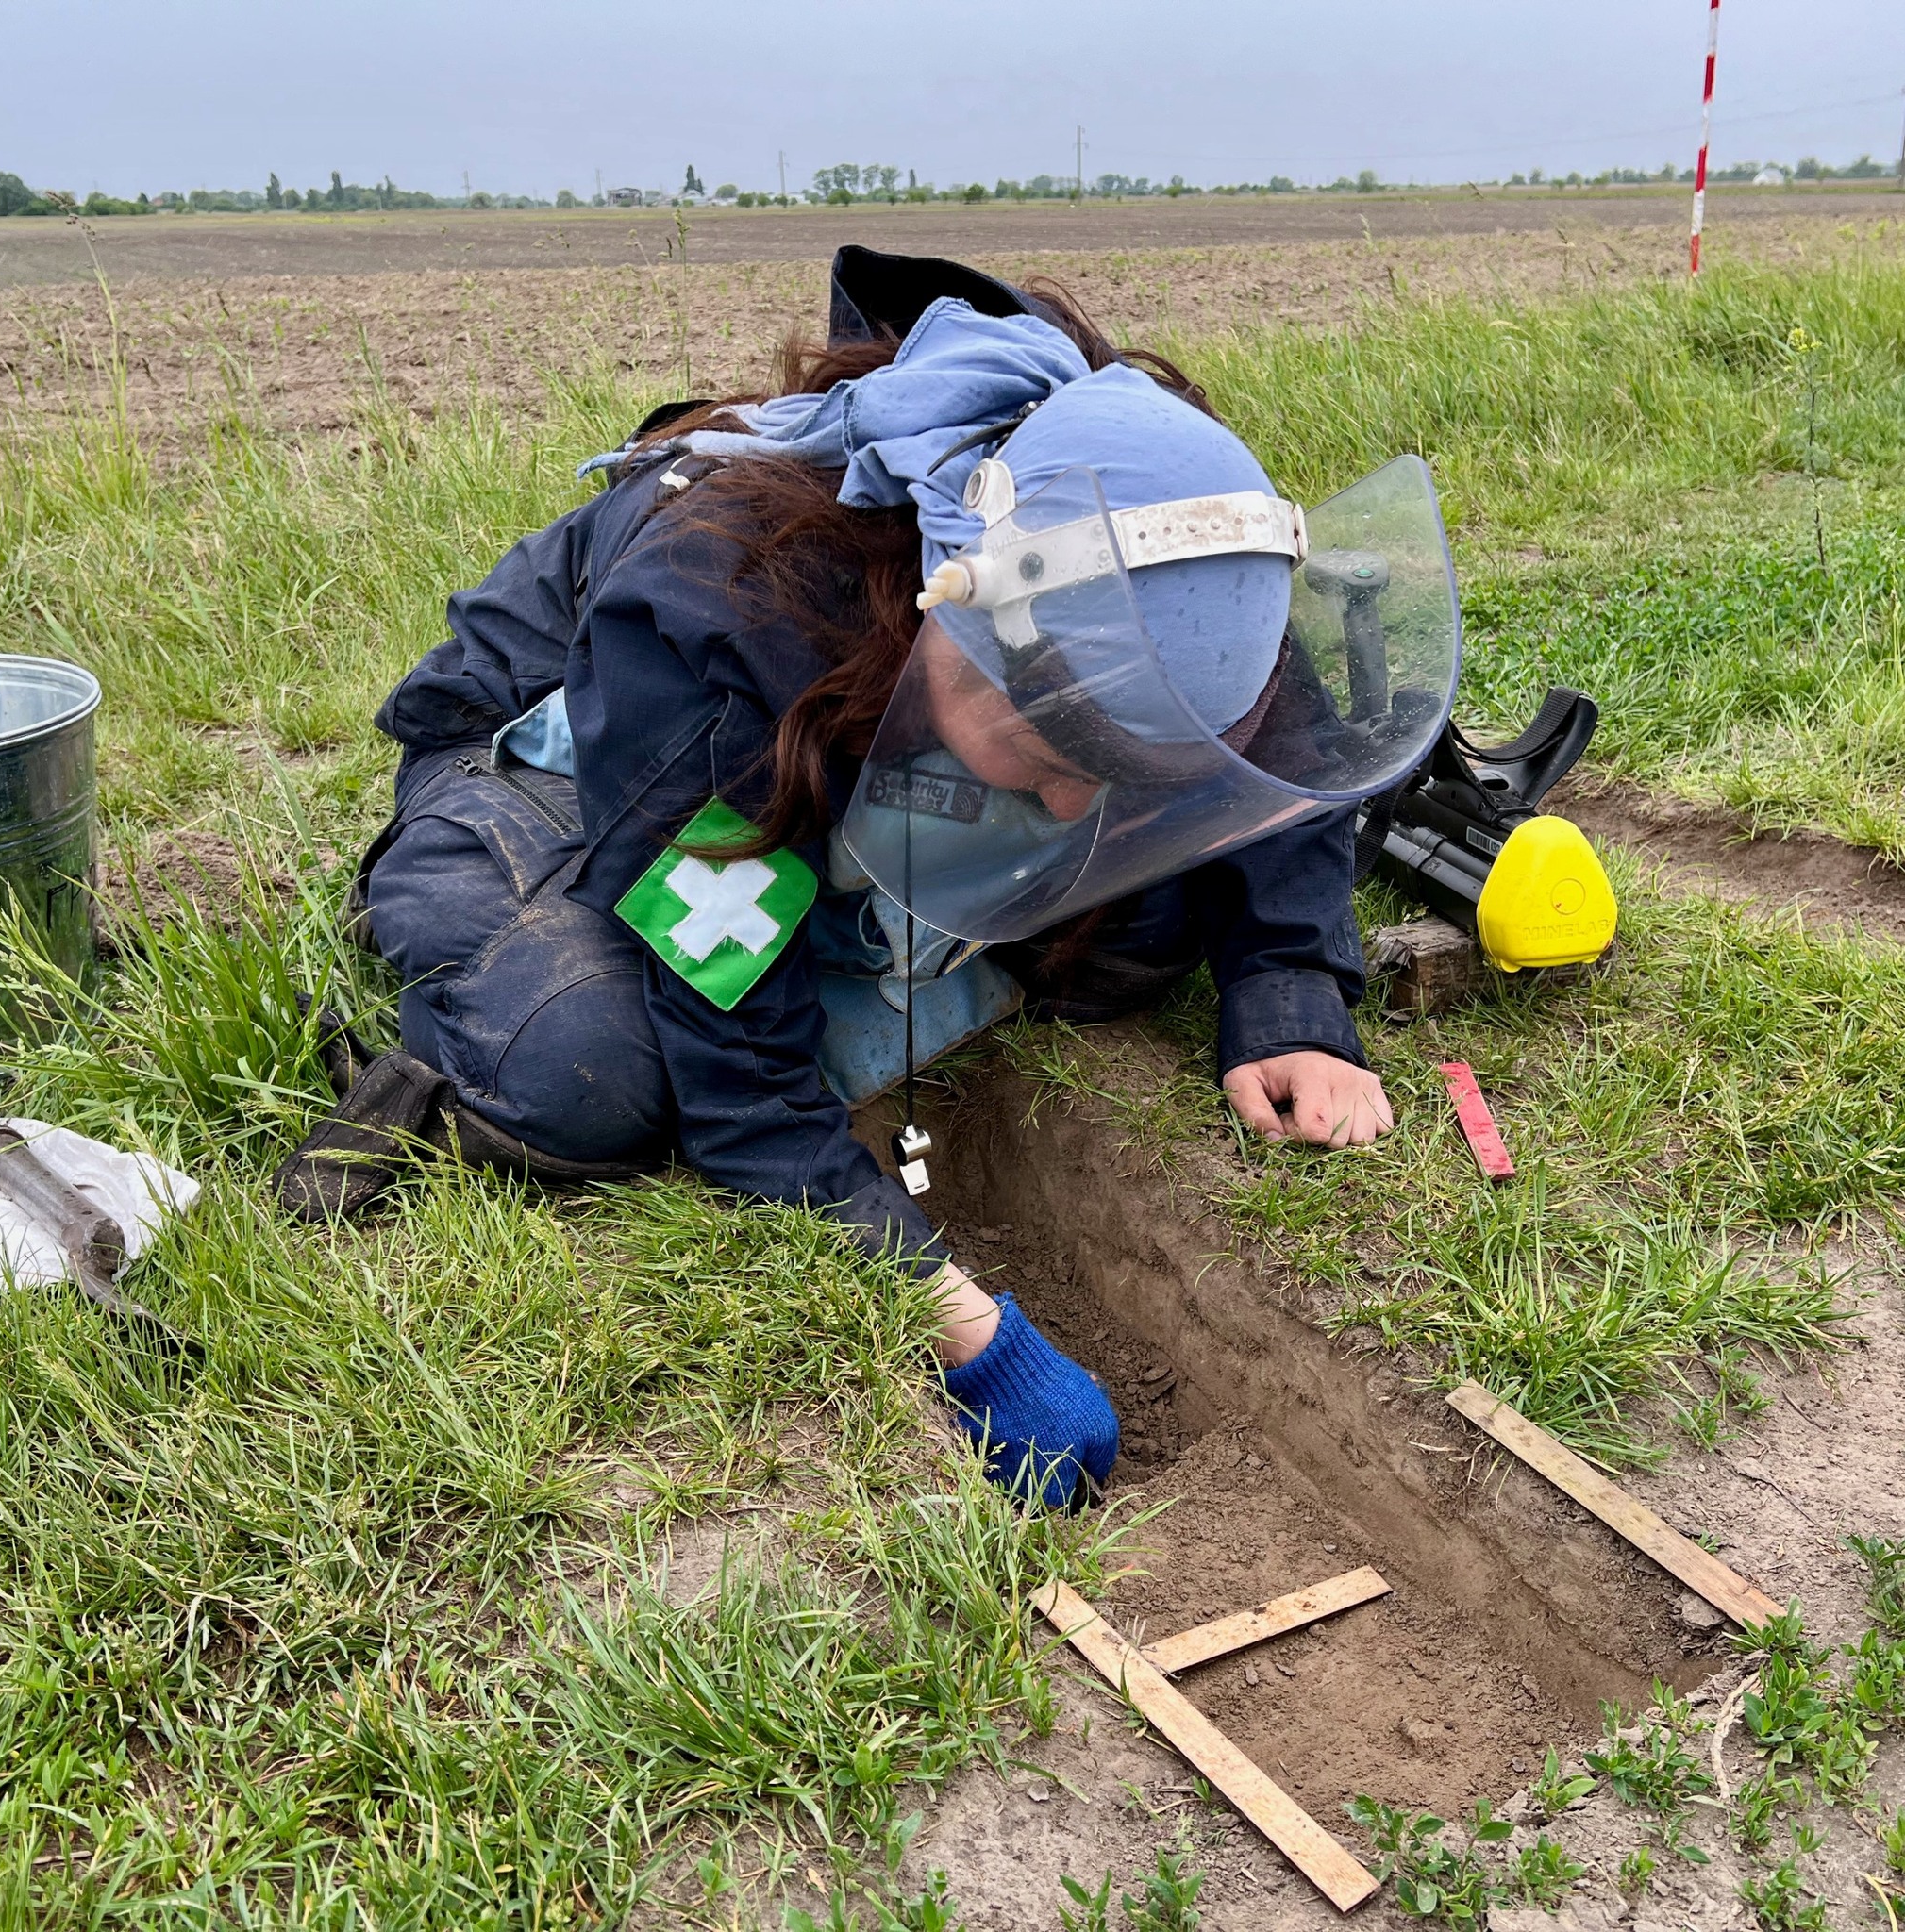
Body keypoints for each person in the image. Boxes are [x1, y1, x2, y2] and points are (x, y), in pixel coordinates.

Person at [277, 246, 1458, 1508]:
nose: (1071, 805)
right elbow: (738, 1074)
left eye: (1116, 766)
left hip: (851, 713)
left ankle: (881, 888)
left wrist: (1288, 993)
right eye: (1059, 750)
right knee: (586, 1065)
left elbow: (1260, 730)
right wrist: (965, 1328)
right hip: (566, 754)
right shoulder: (729, 635)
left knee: (1144, 921)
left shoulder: (1151, 522)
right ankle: (467, 921)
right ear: (956, 603)